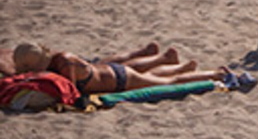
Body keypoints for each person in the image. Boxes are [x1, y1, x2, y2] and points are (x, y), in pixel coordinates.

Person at [13, 42, 229, 93]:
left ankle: (215, 74)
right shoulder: (60, 58)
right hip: (113, 74)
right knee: (152, 76)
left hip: (119, 80)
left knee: (167, 84)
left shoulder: (64, 64)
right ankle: (178, 66)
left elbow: (71, 93)